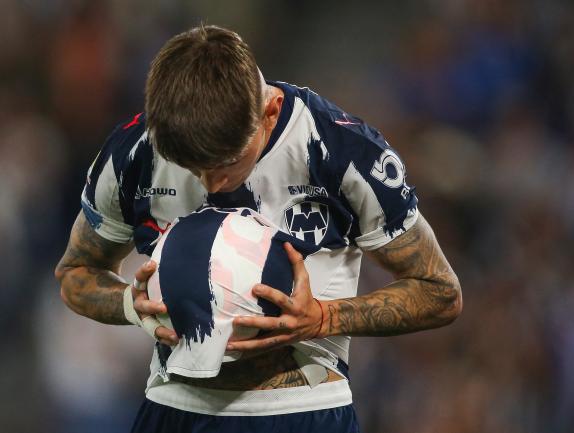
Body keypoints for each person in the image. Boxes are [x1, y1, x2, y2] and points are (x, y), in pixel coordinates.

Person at [55, 25, 462, 433]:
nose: (210, 185)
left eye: (225, 164)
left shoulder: (340, 150)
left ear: (269, 112)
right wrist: (130, 304)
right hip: (172, 408)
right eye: (192, 168)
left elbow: (440, 292)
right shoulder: (133, 153)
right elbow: (76, 275)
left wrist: (323, 317)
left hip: (304, 413)